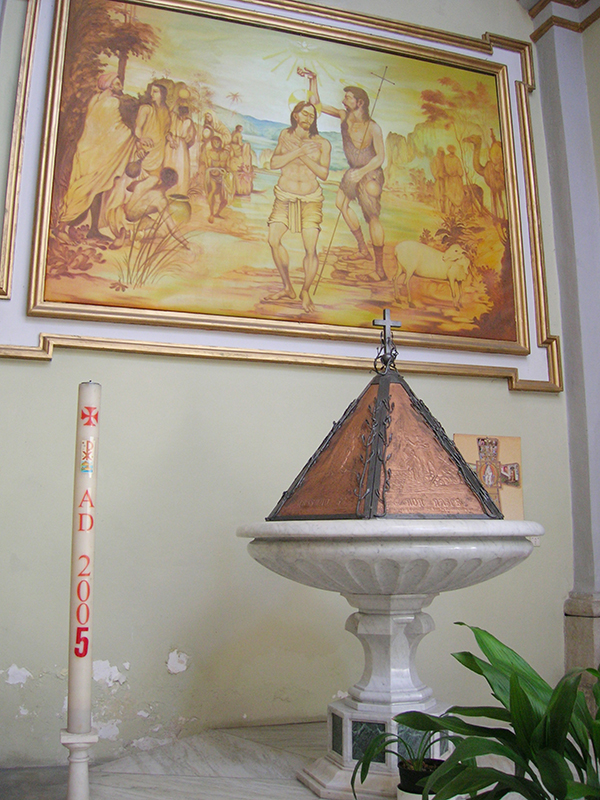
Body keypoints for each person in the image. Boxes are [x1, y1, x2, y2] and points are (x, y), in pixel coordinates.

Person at [299, 68, 386, 281]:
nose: (343, 100)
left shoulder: (373, 128)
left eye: (348, 97)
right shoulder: (343, 116)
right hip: (353, 171)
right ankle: (362, 248)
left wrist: (363, 172)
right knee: (341, 203)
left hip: (370, 173)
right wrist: (313, 79)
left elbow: (380, 157)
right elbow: (315, 106)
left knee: (372, 217)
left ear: (360, 102)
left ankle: (380, 270)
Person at [266, 101, 331, 313]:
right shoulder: (285, 136)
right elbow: (274, 163)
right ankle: (287, 287)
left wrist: (302, 154)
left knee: (310, 248)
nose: (308, 118)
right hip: (285, 196)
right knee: (273, 239)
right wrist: (297, 151)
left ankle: (305, 291)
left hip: (310, 199)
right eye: (304, 114)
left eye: (312, 115)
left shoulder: (322, 143)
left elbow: (323, 174)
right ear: (295, 115)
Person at [59, 73, 136, 240]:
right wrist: (131, 134)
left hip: (87, 150)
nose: (121, 86)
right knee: (88, 189)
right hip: (96, 153)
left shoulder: (95, 99)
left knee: (95, 189)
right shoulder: (111, 102)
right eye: (117, 83)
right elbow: (113, 128)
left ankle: (91, 229)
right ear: (109, 85)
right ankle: (64, 225)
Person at [124, 167, 189, 249]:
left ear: (161, 176)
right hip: (132, 220)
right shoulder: (161, 200)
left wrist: (140, 186)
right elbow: (171, 226)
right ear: (171, 185)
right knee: (162, 232)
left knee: (146, 218)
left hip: (121, 211)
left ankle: (130, 234)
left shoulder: (151, 179)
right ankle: (132, 234)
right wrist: (186, 243)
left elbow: (129, 187)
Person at [134, 82, 171, 176]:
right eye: (151, 91)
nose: (151, 94)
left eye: (155, 91)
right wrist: (140, 142)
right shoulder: (146, 108)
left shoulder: (165, 112)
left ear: (162, 94)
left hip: (159, 153)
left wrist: (170, 139)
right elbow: (137, 128)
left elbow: (165, 131)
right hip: (145, 150)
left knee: (156, 178)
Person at [164, 104, 196, 196]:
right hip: (171, 144)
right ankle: (168, 191)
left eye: (185, 112)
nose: (183, 113)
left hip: (182, 147)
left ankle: (180, 191)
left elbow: (191, 136)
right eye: (182, 111)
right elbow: (166, 130)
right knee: (170, 164)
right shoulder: (173, 117)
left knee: (181, 168)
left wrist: (184, 144)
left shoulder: (189, 122)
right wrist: (171, 140)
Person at [203, 135, 233, 223]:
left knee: (225, 199)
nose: (216, 144)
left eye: (218, 142)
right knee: (213, 190)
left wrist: (226, 172)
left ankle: (217, 213)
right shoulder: (209, 153)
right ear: (212, 144)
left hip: (223, 177)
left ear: (221, 142)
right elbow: (208, 166)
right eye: (214, 142)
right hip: (213, 176)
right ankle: (211, 213)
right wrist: (215, 170)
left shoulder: (226, 153)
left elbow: (228, 166)